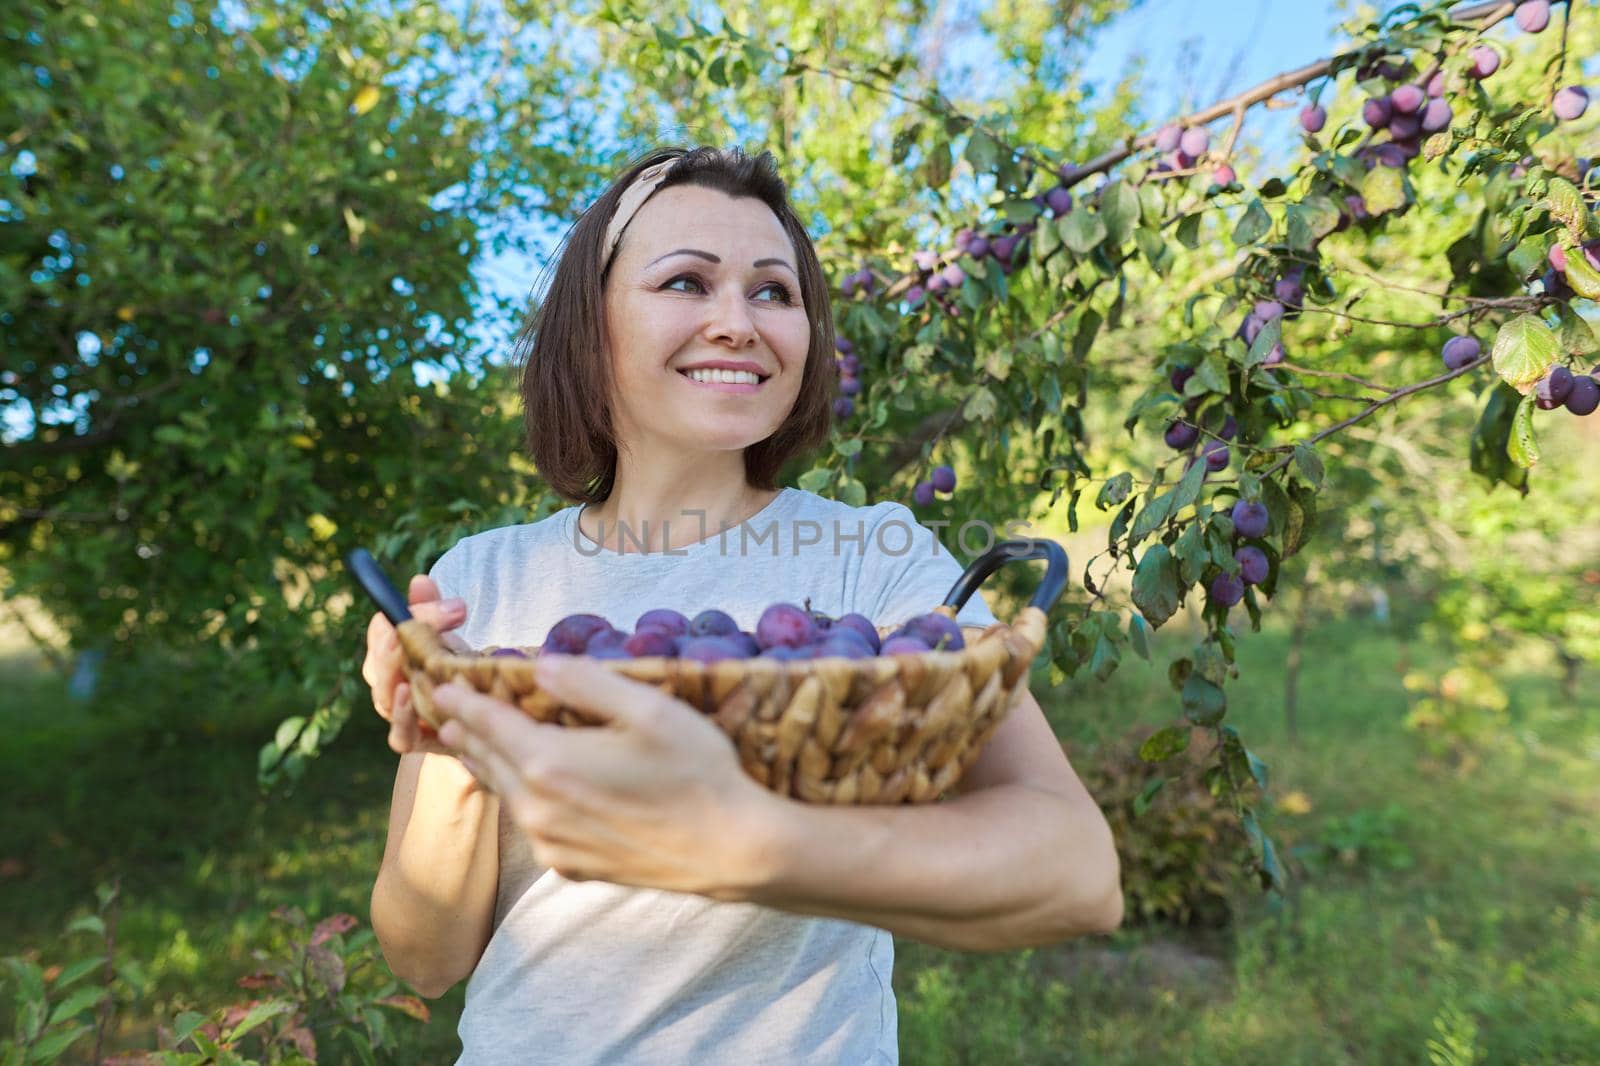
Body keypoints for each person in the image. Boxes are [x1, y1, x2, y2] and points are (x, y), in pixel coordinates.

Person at [361, 145, 1121, 1065]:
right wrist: (464, 735)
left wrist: (746, 846)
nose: (738, 323)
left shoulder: (868, 561)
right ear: (589, 325)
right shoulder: (485, 579)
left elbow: (1078, 875)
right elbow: (426, 958)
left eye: (773, 292)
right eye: (686, 282)